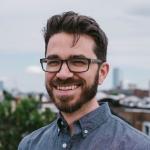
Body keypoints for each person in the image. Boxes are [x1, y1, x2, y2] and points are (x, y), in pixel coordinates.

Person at [18, 11, 150, 150]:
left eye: (78, 61)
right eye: (54, 61)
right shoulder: (29, 145)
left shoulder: (139, 146)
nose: (63, 74)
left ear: (102, 72)